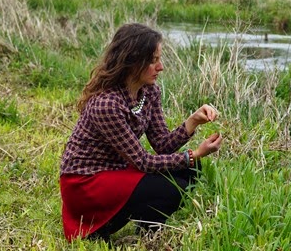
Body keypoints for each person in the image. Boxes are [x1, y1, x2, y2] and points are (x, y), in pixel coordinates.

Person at [59, 23, 223, 242]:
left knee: (191, 171)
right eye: (153, 60)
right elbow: (143, 162)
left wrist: (193, 121)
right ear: (133, 62)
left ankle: (147, 232)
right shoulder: (107, 104)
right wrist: (194, 154)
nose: (161, 67)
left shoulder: (149, 91)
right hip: (85, 182)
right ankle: (97, 231)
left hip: (115, 170)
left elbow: (162, 144)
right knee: (174, 186)